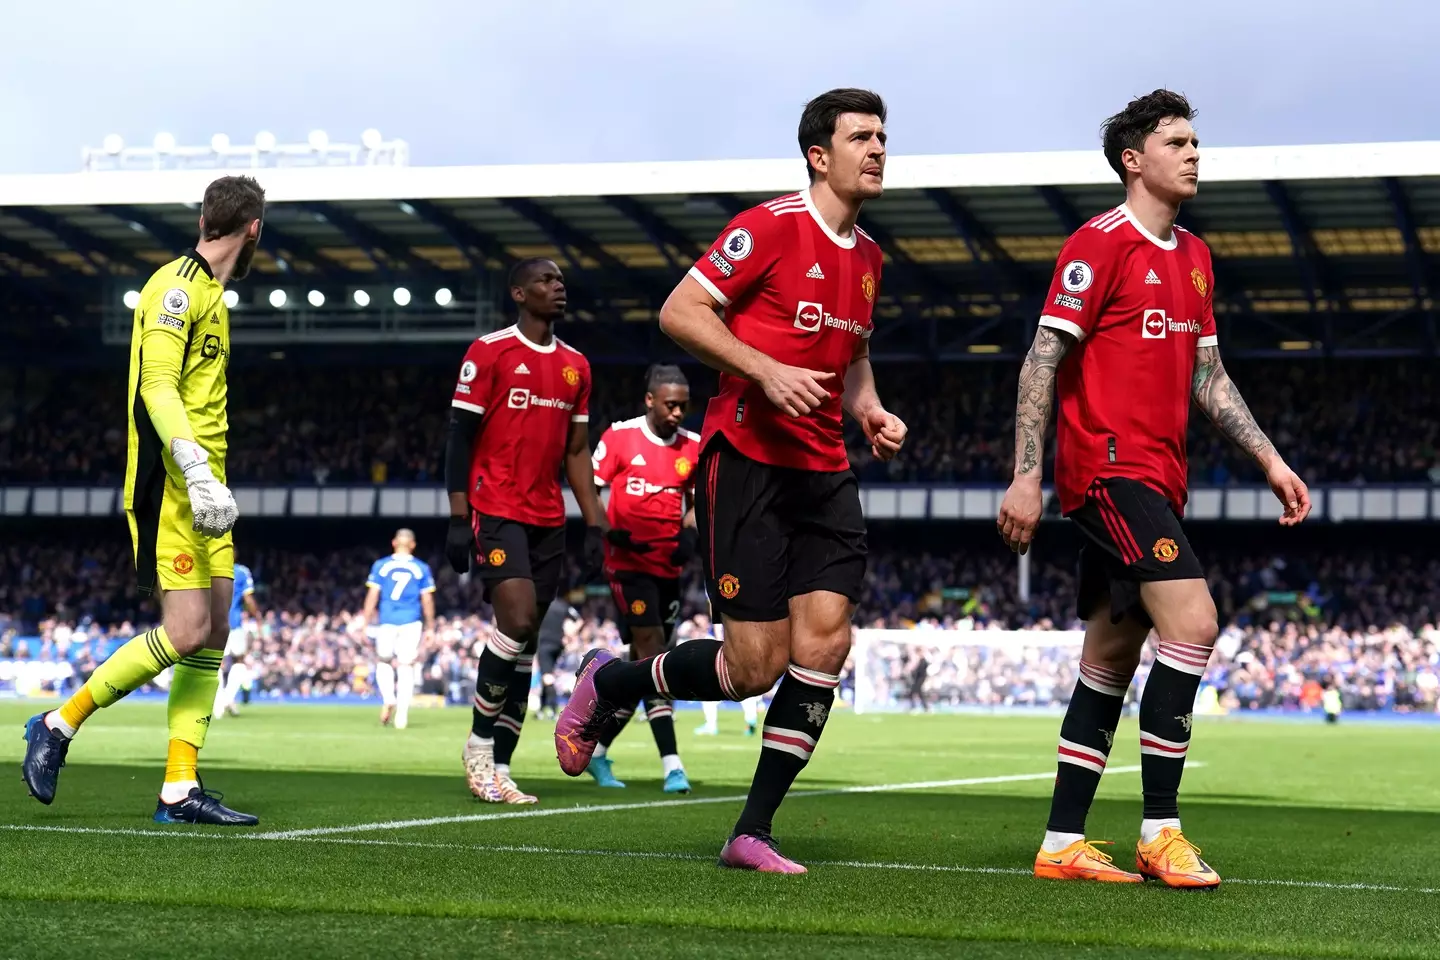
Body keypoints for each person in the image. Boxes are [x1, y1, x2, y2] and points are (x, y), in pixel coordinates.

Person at [555, 88, 906, 874]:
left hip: (825, 473)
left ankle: (753, 829)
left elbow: (852, 359)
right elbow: (679, 312)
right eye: (862, 137)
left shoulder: (872, 259)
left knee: (827, 644)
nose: (879, 149)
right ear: (820, 154)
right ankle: (613, 679)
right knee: (753, 670)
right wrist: (763, 369)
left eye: (884, 136)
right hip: (745, 464)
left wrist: (871, 410)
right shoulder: (769, 229)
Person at [995, 90, 1312, 889]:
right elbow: (1040, 360)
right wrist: (1027, 475)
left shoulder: (1196, 259)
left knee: (1109, 655)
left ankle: (1062, 841)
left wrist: (1270, 461)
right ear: (1135, 160)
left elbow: (1209, 377)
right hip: (1107, 472)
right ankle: (1160, 831)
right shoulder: (1097, 245)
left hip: (1161, 478)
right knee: (1196, 623)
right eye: (1178, 141)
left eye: (1197, 140)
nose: (1195, 152)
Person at [22, 175, 266, 826]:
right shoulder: (177, 287)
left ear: (203, 218)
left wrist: (212, 475)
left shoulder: (213, 293)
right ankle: (57, 723)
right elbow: (157, 387)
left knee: (215, 629)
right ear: (254, 229)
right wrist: (192, 465)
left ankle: (179, 788)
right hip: (172, 486)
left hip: (208, 487)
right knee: (186, 631)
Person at [444, 258, 613, 804]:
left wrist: (595, 521)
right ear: (518, 292)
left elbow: (577, 450)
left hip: (548, 517)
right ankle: (476, 746)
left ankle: (501, 766)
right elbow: (458, 438)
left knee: (525, 646)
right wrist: (455, 516)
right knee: (514, 621)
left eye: (562, 280)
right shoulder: (489, 352)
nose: (558, 286)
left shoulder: (577, 366)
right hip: (497, 508)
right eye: (545, 280)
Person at [584, 365, 700, 794]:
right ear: (649, 400)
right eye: (670, 404)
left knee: (640, 669)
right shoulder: (619, 437)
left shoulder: (693, 446)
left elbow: (697, 502)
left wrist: (690, 533)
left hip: (668, 568)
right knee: (654, 656)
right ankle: (673, 765)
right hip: (627, 566)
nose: (677, 412)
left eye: (683, 406)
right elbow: (591, 488)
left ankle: (593, 749)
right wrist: (601, 532)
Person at [362, 529, 436, 730]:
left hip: (387, 620)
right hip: (412, 621)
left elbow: (372, 595)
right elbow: (427, 598)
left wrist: (365, 622)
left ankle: (388, 698)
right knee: (406, 666)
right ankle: (402, 715)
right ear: (413, 545)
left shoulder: (382, 565)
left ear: (394, 542)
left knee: (383, 661)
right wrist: (430, 627)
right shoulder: (421, 568)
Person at [213, 560, 261, 718]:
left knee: (217, 663)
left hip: (214, 622)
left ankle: (219, 704)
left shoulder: (210, 569)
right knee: (239, 660)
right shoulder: (241, 572)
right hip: (234, 623)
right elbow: (248, 598)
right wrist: (257, 616)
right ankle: (227, 699)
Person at [536, 596, 584, 720]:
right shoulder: (563, 606)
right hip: (558, 644)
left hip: (544, 643)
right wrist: (569, 635)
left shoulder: (541, 605)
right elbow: (579, 620)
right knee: (546, 674)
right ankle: (542, 708)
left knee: (547, 676)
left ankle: (553, 709)